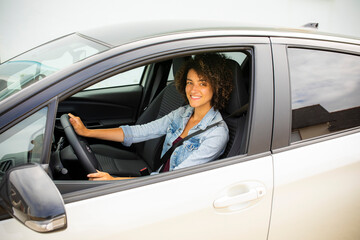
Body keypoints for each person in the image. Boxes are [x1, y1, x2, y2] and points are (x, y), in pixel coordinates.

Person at [68, 53, 233, 180]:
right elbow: (139, 132)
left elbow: (173, 180)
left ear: (217, 87)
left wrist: (114, 180)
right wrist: (87, 132)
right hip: (157, 180)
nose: (193, 90)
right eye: (190, 82)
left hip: (171, 192)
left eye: (202, 84)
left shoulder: (217, 133)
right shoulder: (183, 113)